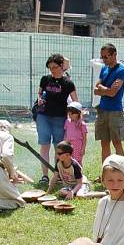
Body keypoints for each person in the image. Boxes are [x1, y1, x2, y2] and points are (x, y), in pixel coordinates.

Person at [37, 53, 77, 184]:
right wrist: (39, 98)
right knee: (44, 145)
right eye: (50, 67)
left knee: (58, 147)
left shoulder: (68, 83)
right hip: (43, 116)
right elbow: (39, 93)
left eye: (55, 67)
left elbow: (76, 102)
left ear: (61, 66)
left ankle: (57, 174)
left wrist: (75, 117)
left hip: (60, 118)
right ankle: (44, 175)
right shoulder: (45, 79)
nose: (52, 70)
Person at [94, 43, 124, 164]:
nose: (103, 59)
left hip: (115, 112)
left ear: (114, 55)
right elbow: (96, 88)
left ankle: (122, 171)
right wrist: (106, 89)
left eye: (106, 57)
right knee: (104, 143)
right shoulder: (104, 68)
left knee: (117, 142)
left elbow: (113, 93)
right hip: (102, 111)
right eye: (102, 57)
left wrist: (103, 90)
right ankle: (105, 171)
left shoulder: (122, 70)